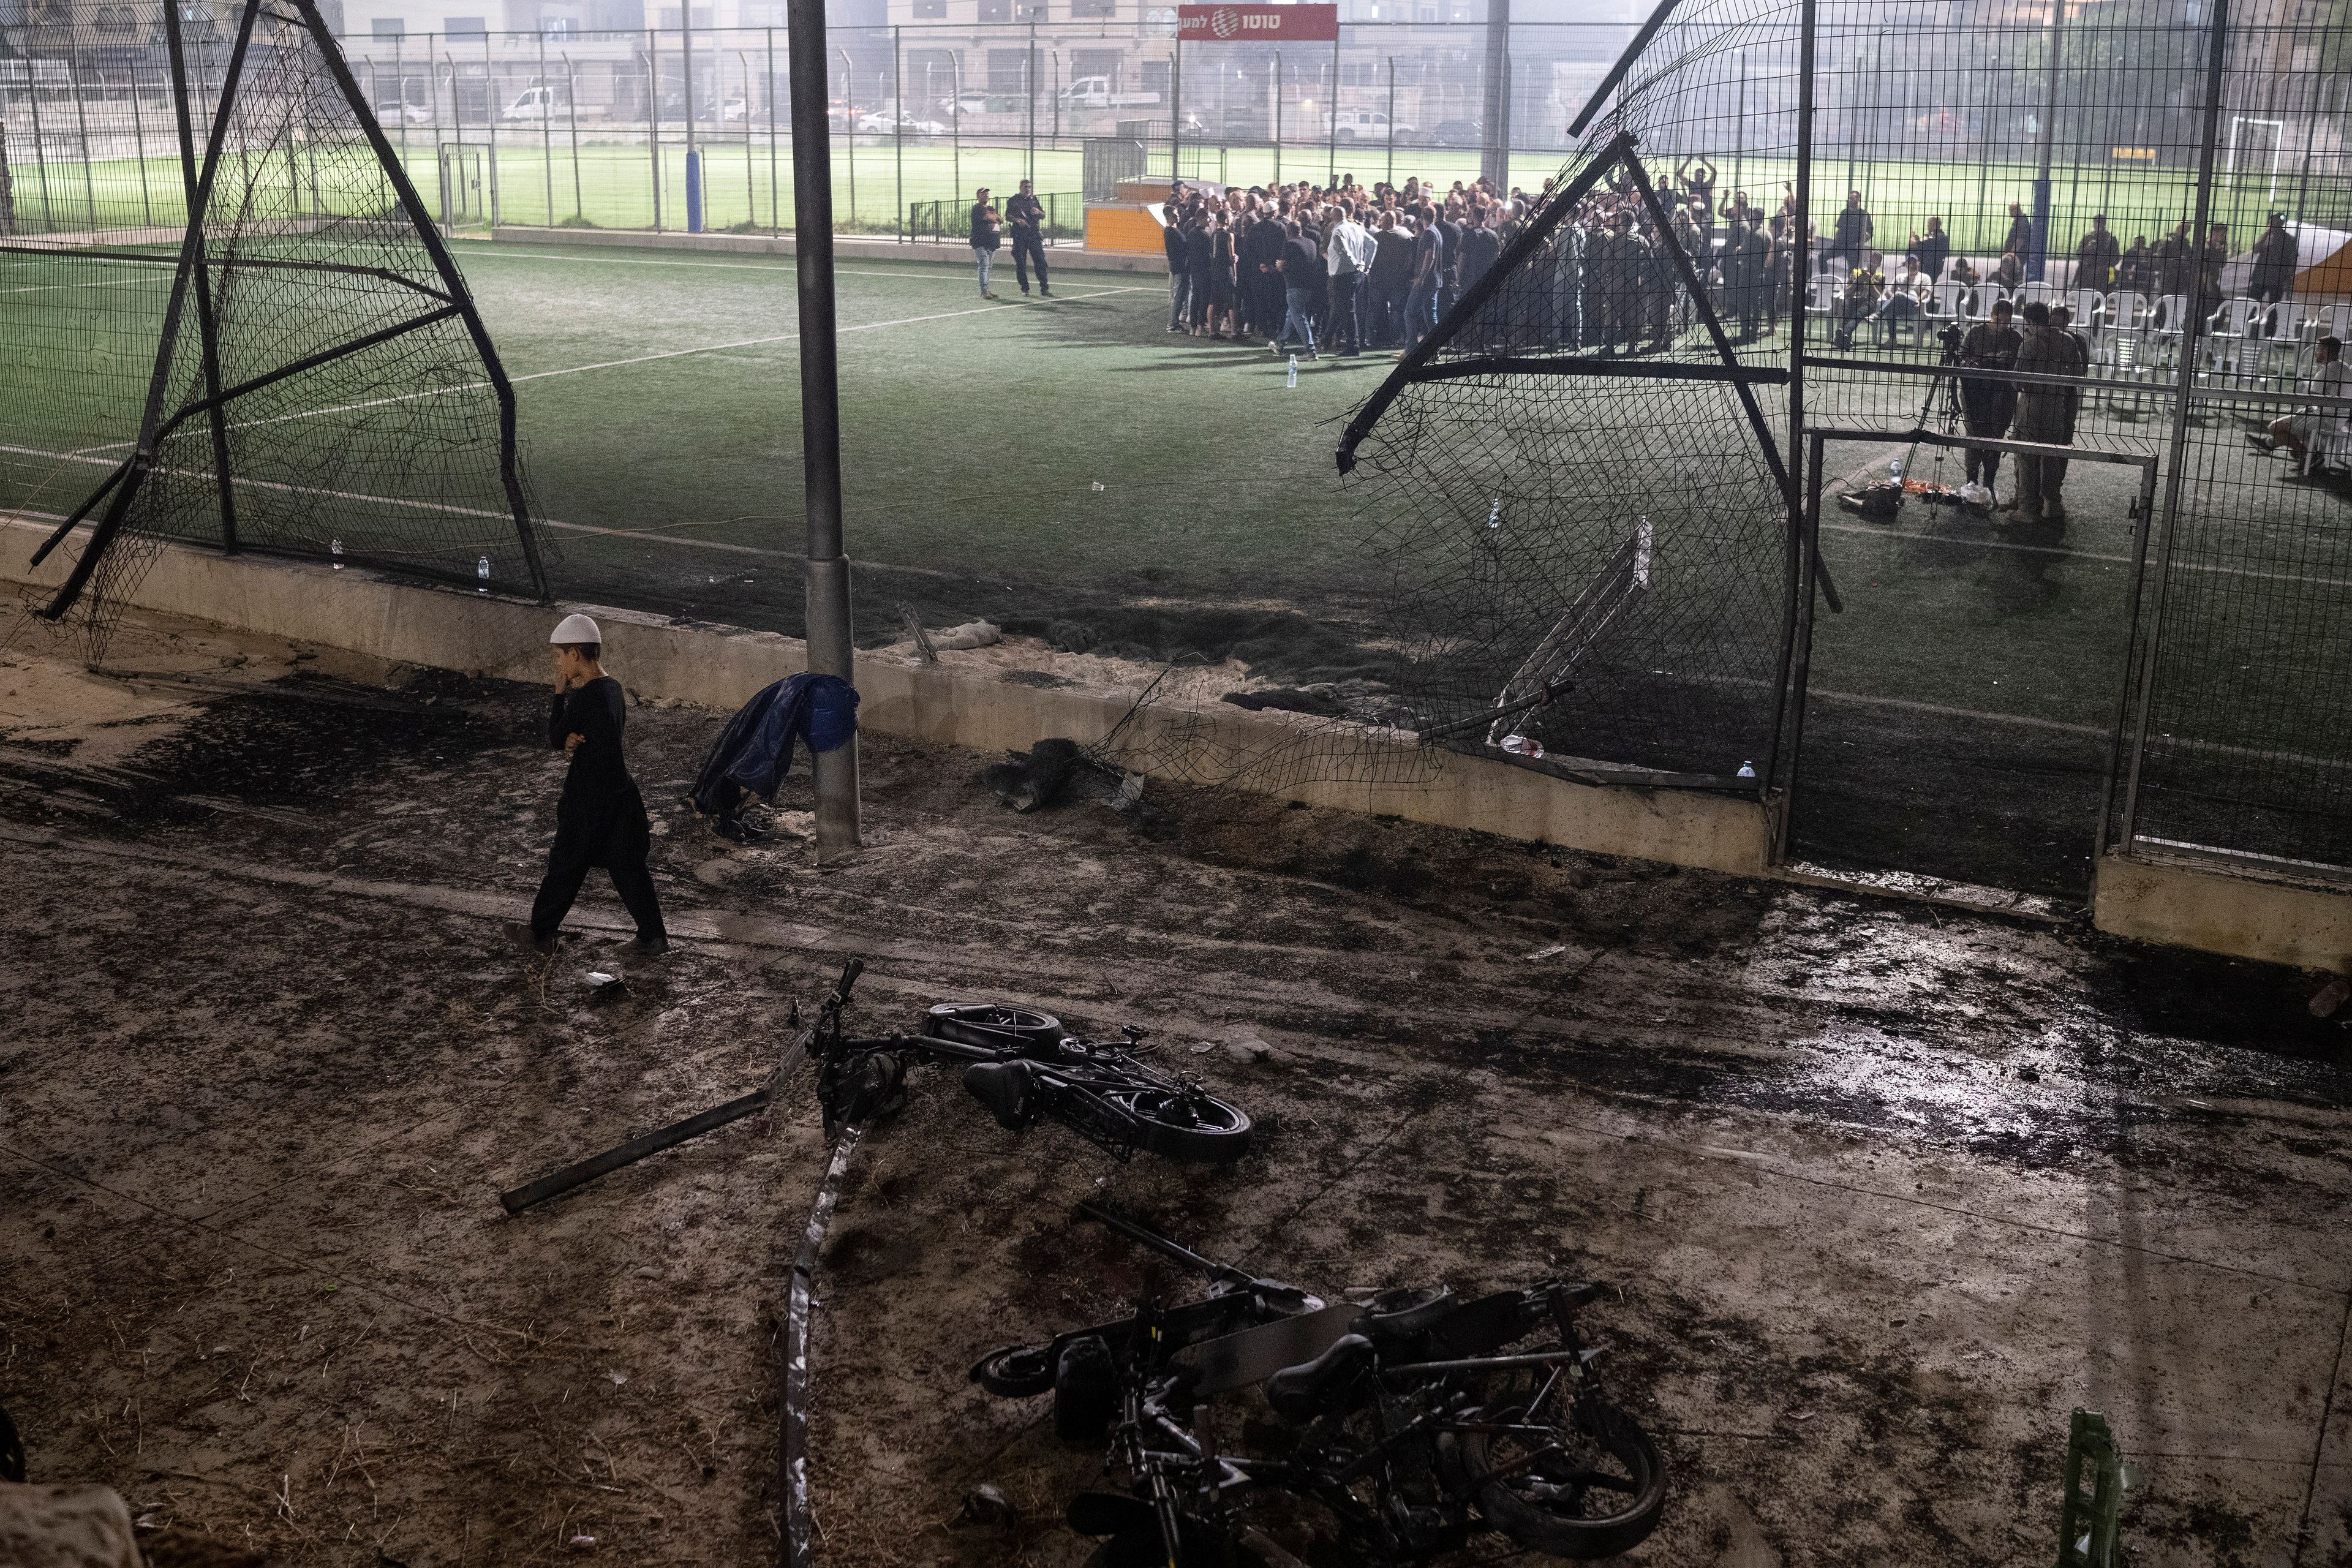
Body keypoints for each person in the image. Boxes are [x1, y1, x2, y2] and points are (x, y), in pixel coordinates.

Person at [511, 614, 667, 958]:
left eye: (559, 655)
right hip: (619, 793)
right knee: (627, 865)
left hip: (588, 797)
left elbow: (555, 737)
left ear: (575, 655)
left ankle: (540, 933)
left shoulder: (585, 697)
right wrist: (573, 737)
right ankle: (653, 936)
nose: (558, 663)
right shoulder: (613, 690)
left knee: (566, 863)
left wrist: (558, 695)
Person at [2009, 301, 2089, 526]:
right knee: (2052, 456)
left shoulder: (2030, 345)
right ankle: (2052, 504)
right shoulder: (2069, 341)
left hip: (2033, 405)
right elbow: (2078, 376)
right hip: (2058, 405)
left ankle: (2027, 507)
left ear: (2031, 323)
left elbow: (2017, 382)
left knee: (2026, 456)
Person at [2247, 334, 2346, 470]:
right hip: (2340, 419)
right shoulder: (2344, 368)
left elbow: (2310, 398)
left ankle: (2310, 456)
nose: (2316, 353)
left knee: (2274, 427)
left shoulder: (2327, 371)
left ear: (2325, 350)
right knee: (2294, 432)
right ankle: (2269, 444)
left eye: (2318, 349)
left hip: (2325, 419)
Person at [1958, 297, 2022, 492]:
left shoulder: (2015, 337)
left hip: (2002, 392)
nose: (2003, 325)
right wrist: (1986, 360)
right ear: (1991, 317)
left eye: (2006, 321)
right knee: (1974, 435)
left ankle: (1989, 480)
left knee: (1996, 435)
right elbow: (1963, 359)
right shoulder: (1975, 333)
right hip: (1975, 391)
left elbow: (2020, 363)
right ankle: (1972, 479)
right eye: (1999, 320)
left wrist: (2007, 361)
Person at [1325, 199, 1374, 355]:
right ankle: (1327, 339)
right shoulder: (1356, 228)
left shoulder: (1337, 231)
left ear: (1333, 218)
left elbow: (1345, 251)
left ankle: (1353, 346)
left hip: (1343, 275)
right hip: (1358, 274)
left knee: (1347, 311)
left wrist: (1355, 264)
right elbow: (1373, 244)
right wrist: (1366, 265)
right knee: (1343, 309)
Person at [1273, 217, 1320, 359]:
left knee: (1298, 316)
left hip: (1294, 285)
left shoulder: (1290, 244)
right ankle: (1280, 344)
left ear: (1288, 231)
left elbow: (1282, 265)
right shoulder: (1311, 242)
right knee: (1292, 315)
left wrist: (1278, 266)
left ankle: (1310, 350)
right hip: (1309, 285)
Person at [1005, 178, 1051, 298]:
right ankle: (1025, 288)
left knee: (1040, 261)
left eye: (1030, 187)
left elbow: (1043, 215)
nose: (1028, 189)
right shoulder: (1013, 201)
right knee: (1021, 263)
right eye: (1026, 187)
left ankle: (1044, 288)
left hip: (1034, 235)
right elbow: (1008, 216)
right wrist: (1018, 220)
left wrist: (1039, 212)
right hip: (1020, 235)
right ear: (1021, 188)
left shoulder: (1034, 200)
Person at [2249, 212, 2299, 306]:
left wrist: (2288, 276)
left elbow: (2293, 259)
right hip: (2262, 276)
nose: (2273, 223)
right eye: (2272, 221)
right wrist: (2266, 234)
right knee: (2253, 303)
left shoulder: (2288, 239)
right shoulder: (2266, 237)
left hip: (2276, 278)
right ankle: (2250, 319)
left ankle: (2265, 320)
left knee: (2271, 306)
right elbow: (2256, 250)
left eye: (2275, 221)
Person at [1826, 189, 1873, 276]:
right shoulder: (1845, 212)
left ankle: (1850, 286)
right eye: (1849, 198)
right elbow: (1839, 229)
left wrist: (1860, 243)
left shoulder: (1864, 214)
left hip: (1853, 247)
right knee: (1822, 256)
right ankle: (1824, 278)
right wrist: (1835, 242)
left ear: (1858, 199)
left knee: (1853, 271)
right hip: (1841, 244)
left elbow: (1870, 233)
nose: (1850, 200)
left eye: (1852, 198)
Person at [1162, 202, 1190, 332]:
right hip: (1179, 267)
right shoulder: (1171, 232)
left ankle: (1174, 322)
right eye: (1175, 214)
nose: (1178, 216)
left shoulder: (1174, 230)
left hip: (1180, 266)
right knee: (1178, 296)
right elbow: (1179, 250)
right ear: (1169, 216)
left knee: (1179, 295)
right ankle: (1173, 324)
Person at [969, 187, 1001, 300]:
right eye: (983, 194)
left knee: (989, 267)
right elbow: (988, 217)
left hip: (991, 241)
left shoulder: (991, 208)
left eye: (987, 194)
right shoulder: (976, 209)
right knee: (984, 266)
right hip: (980, 241)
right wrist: (994, 217)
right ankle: (984, 291)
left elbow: (1000, 220)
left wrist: (995, 217)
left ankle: (987, 289)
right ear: (978, 196)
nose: (985, 196)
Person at [2075, 214, 2119, 293]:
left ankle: (2107, 296)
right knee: (2081, 273)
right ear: (2094, 223)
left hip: (2107, 268)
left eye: (2102, 223)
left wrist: (2106, 266)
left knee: (2113, 275)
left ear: (2105, 224)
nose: (2099, 225)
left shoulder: (2111, 238)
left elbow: (2116, 258)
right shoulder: (2088, 237)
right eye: (2097, 222)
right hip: (2089, 267)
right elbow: (2079, 253)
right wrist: (2089, 248)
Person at [1908, 216, 1950, 282]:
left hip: (1929, 268)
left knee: (1924, 285)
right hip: (1933, 267)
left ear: (1934, 224)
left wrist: (1912, 237)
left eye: (1929, 224)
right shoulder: (1941, 236)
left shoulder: (1936, 237)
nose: (1927, 225)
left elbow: (1914, 244)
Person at [2003, 201, 2034, 266]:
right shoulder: (2020, 221)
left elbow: (2020, 241)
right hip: (2017, 255)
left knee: (2013, 273)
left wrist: (2011, 255)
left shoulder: (2021, 223)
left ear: (2016, 210)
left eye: (2011, 211)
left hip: (2018, 256)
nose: (2010, 213)